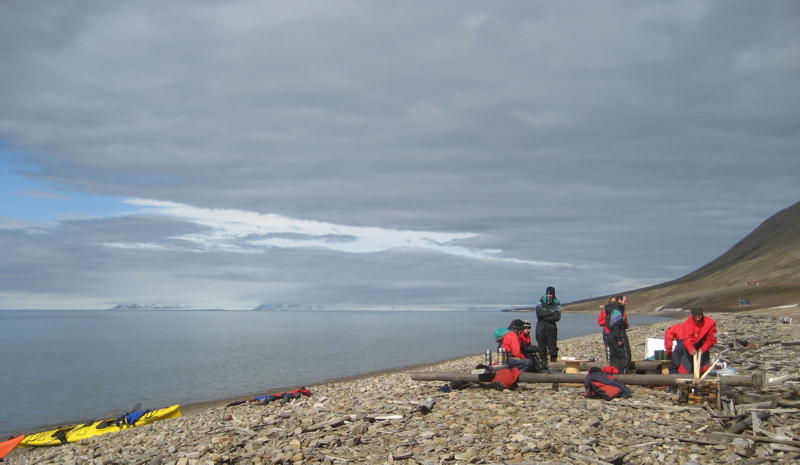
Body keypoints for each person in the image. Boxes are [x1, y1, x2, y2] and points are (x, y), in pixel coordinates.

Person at [666, 307, 717, 375]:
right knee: (681, 360)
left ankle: (694, 373)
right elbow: (687, 338)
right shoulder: (688, 324)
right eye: (695, 316)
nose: (697, 317)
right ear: (693, 316)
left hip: (699, 344)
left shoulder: (709, 323)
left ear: (702, 314)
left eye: (699, 315)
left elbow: (711, 339)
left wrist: (703, 349)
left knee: (699, 363)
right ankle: (677, 375)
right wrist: (691, 349)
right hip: (686, 344)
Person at [604, 294, 631, 373]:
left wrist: (624, 325)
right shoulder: (617, 309)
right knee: (625, 355)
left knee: (614, 356)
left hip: (610, 334)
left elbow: (613, 322)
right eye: (625, 301)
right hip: (618, 333)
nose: (626, 303)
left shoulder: (611, 308)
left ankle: (614, 374)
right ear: (619, 300)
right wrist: (619, 338)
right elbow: (616, 324)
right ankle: (623, 374)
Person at [535, 286, 561, 366]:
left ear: (553, 294)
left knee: (552, 347)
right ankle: (543, 363)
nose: (549, 295)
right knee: (541, 346)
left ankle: (553, 363)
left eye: (550, 294)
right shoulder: (540, 301)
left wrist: (544, 315)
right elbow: (539, 315)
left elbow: (557, 317)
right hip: (540, 327)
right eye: (548, 293)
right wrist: (551, 313)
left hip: (551, 328)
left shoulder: (557, 303)